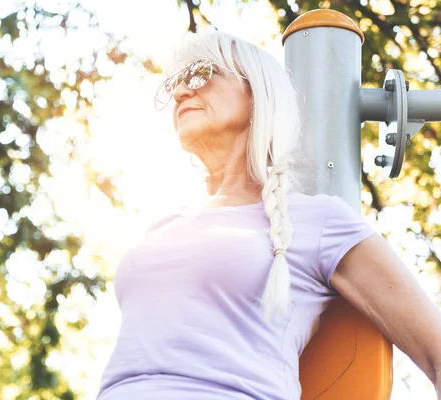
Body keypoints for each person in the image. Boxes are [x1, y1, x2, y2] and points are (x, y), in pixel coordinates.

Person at [95, 31, 441, 400]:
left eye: (199, 73)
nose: (180, 92)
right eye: (172, 85)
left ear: (256, 92)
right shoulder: (161, 225)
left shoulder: (317, 221)